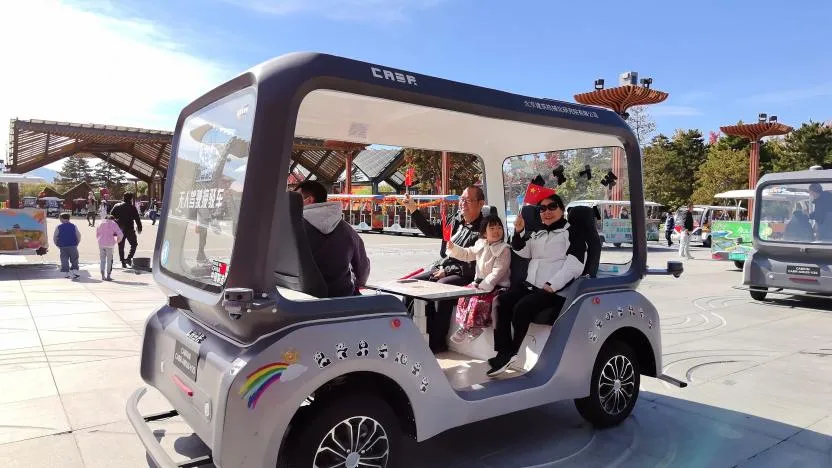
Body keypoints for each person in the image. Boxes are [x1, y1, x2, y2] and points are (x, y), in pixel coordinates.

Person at [487, 194, 586, 377]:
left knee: (522, 307)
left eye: (552, 207)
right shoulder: (538, 233)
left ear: (562, 209)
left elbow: (575, 265)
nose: (547, 212)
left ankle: (512, 352)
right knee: (499, 302)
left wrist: (552, 284)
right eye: (542, 209)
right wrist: (519, 231)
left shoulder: (572, 233)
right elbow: (522, 251)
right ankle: (503, 352)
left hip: (555, 291)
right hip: (532, 286)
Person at [401, 186, 486, 353]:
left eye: (468, 200)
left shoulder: (483, 229)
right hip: (443, 267)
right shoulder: (455, 219)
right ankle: (409, 334)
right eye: (462, 199)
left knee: (442, 287)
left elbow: (475, 263)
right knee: (411, 285)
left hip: (466, 273)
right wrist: (413, 209)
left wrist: (447, 271)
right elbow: (430, 229)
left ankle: (437, 342)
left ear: (481, 203)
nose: (463, 203)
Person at [295, 181, 370, 297]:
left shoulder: (292, 227)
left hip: (301, 297)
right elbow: (362, 269)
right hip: (342, 299)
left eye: (296, 198)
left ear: (309, 200)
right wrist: (358, 283)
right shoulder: (347, 229)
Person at [445, 214, 511, 343]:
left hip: (497, 286)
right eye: (492, 228)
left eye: (499, 228)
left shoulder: (504, 249)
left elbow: (498, 271)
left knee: (478, 300)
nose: (496, 231)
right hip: (480, 283)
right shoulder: (481, 243)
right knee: (464, 295)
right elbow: (467, 254)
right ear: (484, 233)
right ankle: (464, 326)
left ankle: (475, 327)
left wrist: (484, 287)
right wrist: (453, 248)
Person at [110, 192, 143, 268]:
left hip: (119, 229)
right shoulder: (132, 207)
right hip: (129, 228)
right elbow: (137, 219)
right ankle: (128, 258)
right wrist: (139, 228)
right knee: (134, 244)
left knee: (121, 246)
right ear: (131, 199)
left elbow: (111, 216)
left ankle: (122, 262)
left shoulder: (117, 206)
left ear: (123, 197)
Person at [53, 212, 81, 279]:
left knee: (64, 259)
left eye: (60, 218)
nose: (60, 220)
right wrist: (77, 243)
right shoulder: (74, 226)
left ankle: (66, 273)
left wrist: (57, 244)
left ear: (62, 219)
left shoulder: (59, 227)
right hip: (73, 245)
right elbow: (78, 235)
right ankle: (75, 271)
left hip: (62, 246)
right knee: (74, 258)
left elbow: (55, 236)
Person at [96, 215, 124, 281]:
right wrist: (117, 241)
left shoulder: (100, 223)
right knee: (109, 260)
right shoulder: (114, 224)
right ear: (113, 219)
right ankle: (108, 275)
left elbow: (97, 234)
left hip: (101, 243)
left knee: (102, 260)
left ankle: (102, 275)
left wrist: (99, 240)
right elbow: (120, 234)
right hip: (110, 244)